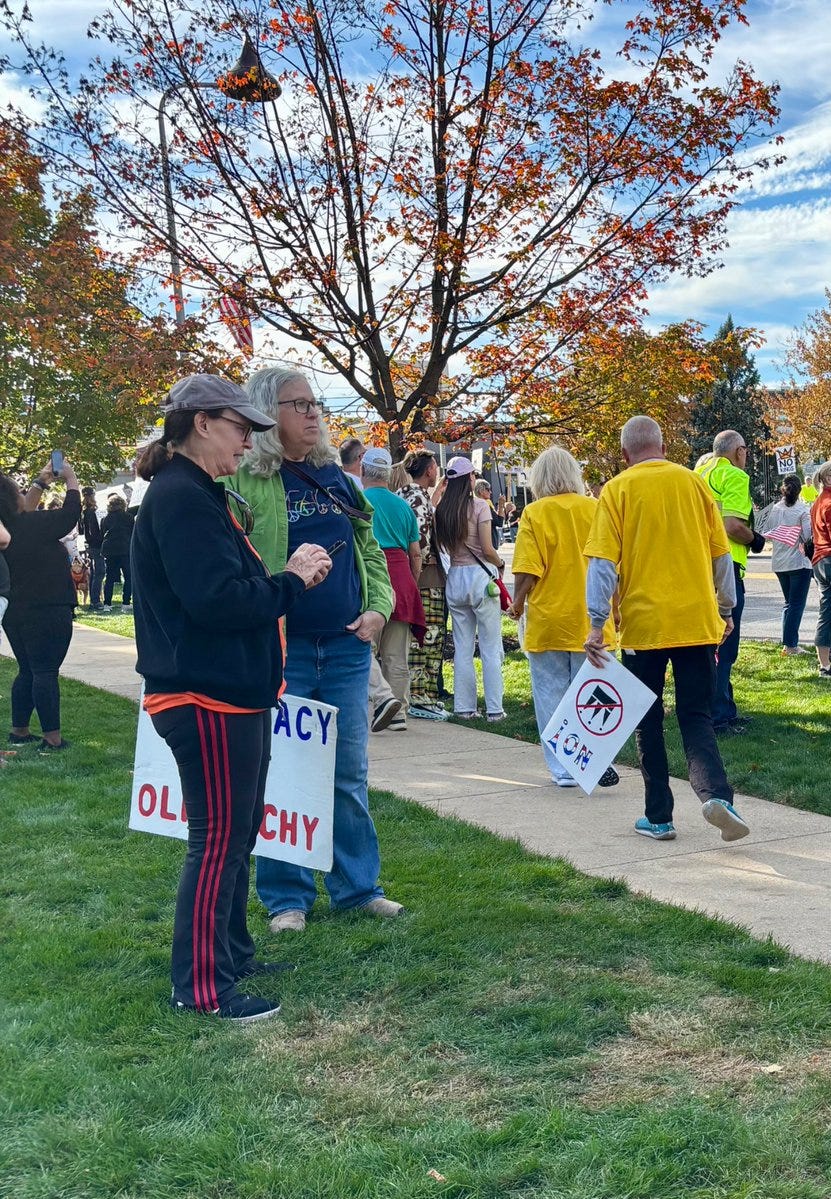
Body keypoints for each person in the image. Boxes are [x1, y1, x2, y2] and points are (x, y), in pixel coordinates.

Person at [131, 373, 332, 1023]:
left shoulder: (197, 493)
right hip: (205, 694)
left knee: (238, 832)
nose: (249, 441)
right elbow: (216, 601)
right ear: (201, 423)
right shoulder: (180, 497)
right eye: (241, 427)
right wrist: (290, 582)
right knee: (217, 838)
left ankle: (231, 953)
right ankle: (200, 984)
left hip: (227, 693)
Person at [223, 367, 403, 935]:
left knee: (349, 772)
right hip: (284, 652)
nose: (311, 413)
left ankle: (358, 888)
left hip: (347, 649)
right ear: (264, 413)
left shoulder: (339, 480)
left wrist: (378, 608)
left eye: (313, 403)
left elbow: (370, 552)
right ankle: (286, 899)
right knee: (284, 775)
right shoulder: (243, 483)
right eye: (296, 404)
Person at [584, 416, 749, 843]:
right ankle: (716, 796)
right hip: (696, 621)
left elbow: (602, 565)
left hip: (644, 626)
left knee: (648, 719)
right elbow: (721, 557)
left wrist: (596, 624)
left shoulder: (618, 490)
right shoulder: (695, 485)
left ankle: (659, 817)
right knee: (697, 716)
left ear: (625, 454)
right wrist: (726, 610)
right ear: (663, 445)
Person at [506, 446, 619, 789]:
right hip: (592, 619)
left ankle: (563, 767)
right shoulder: (597, 508)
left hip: (550, 618)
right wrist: (616, 607)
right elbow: (612, 564)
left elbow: (528, 569)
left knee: (550, 694)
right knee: (592, 697)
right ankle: (594, 758)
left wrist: (516, 603)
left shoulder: (534, 513)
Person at [0, 460, 81, 750]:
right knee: (45, 671)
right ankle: (52, 738)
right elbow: (71, 514)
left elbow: (25, 511)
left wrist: (41, 481)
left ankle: (19, 731)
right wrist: (70, 478)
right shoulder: (35, 525)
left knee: (27, 669)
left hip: (15, 610)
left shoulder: (7, 530)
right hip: (48, 606)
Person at [695, 430, 765, 735]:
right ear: (739, 451)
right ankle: (720, 716)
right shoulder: (734, 476)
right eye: (746, 451)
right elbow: (732, 525)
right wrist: (756, 539)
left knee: (708, 643)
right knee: (727, 644)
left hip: (698, 567)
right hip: (727, 567)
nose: (746, 457)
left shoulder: (697, 475)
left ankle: (723, 706)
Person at [434, 455, 505, 720]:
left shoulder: (442, 510)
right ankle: (495, 709)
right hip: (480, 578)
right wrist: (500, 562)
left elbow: (433, 512)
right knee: (489, 645)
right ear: (469, 479)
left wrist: (442, 485)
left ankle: (464, 707)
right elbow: (487, 549)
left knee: (462, 648)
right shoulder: (479, 506)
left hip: (455, 577)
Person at [362, 446, 425, 731]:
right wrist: (412, 581)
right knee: (396, 653)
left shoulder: (358, 501)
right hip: (400, 577)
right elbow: (416, 553)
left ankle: (376, 704)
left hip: (367, 577)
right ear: (389, 475)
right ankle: (397, 712)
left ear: (363, 472)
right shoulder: (403, 506)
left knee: (363, 647)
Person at [398, 449, 449, 720]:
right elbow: (420, 543)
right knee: (428, 638)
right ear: (429, 470)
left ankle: (416, 694)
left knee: (413, 639)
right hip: (425, 579)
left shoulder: (402, 495)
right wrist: (414, 577)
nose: (437, 472)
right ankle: (422, 696)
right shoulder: (419, 500)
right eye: (435, 467)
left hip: (407, 576)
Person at [756, 474, 813, 655]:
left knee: (789, 603)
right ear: (799, 491)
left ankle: (787, 643)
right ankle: (791, 645)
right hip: (799, 562)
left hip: (779, 562)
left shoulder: (773, 510)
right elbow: (807, 536)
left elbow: (762, 530)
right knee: (796, 605)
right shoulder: (803, 511)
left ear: (783, 489)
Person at [810, 460, 831, 679]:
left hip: (820, 560)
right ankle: (825, 664)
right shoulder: (829, 502)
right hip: (829, 557)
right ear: (826, 478)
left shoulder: (819, 501)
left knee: (826, 611)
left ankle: (824, 663)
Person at [100, 493, 134, 611]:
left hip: (110, 550)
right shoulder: (128, 517)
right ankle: (125, 603)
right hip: (125, 548)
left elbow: (102, 533)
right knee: (129, 577)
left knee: (109, 578)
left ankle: (107, 604)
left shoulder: (105, 519)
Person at [79, 486, 105, 610]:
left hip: (90, 544)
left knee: (94, 572)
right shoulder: (91, 511)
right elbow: (93, 529)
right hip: (96, 544)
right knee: (99, 571)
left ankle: (94, 599)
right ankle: (95, 600)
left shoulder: (84, 511)